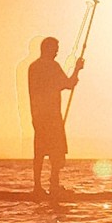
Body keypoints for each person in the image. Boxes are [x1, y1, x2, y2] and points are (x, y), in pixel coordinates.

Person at [27, 36, 79, 199]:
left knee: (40, 151)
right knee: (56, 152)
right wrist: (77, 69)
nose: (57, 51)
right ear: (47, 49)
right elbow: (69, 84)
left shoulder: (33, 67)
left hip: (37, 116)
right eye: (55, 48)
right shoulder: (51, 66)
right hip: (51, 116)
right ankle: (54, 186)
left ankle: (37, 187)